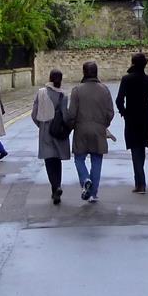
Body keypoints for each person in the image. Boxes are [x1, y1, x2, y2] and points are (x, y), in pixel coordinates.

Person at [115, 52, 148, 193]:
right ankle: (140, 182)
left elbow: (119, 100)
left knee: (135, 150)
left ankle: (140, 183)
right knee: (141, 149)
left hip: (131, 119)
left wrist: (124, 113)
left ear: (132, 63)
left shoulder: (126, 79)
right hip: (144, 119)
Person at [66, 60, 114, 203]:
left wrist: (71, 127)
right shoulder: (104, 89)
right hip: (99, 129)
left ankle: (85, 179)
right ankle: (93, 193)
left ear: (84, 72)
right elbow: (110, 112)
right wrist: (104, 124)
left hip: (81, 129)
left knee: (79, 158)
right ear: (96, 72)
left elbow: (71, 114)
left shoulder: (77, 90)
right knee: (97, 160)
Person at [31, 68, 70, 205]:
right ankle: (58, 185)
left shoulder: (41, 93)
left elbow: (34, 114)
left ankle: (54, 187)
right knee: (57, 160)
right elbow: (65, 116)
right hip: (58, 130)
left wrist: (42, 126)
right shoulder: (63, 96)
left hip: (45, 129)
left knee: (49, 160)